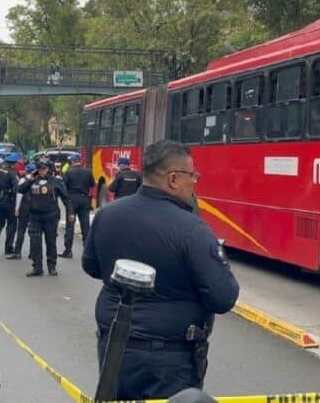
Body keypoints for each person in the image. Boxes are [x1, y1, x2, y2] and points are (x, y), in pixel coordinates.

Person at [83, 140, 240, 400]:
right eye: (192, 175)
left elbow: (91, 267)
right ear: (173, 179)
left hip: (113, 347)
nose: (195, 182)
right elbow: (224, 297)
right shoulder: (192, 230)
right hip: (169, 362)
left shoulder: (107, 215)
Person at [19, 160, 69, 276]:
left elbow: (66, 198)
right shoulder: (33, 181)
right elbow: (20, 189)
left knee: (50, 242)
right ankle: (37, 267)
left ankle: (52, 266)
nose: (42, 171)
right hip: (35, 217)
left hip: (50, 217)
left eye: (44, 169)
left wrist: (70, 212)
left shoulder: (55, 182)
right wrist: (29, 179)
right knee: (35, 242)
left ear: (49, 169)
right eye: (40, 169)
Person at [61, 154, 95, 258]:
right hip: (84, 199)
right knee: (85, 226)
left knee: (70, 226)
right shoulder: (88, 172)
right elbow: (92, 184)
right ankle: (87, 251)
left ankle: (68, 251)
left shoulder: (69, 172)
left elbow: (63, 187)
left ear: (72, 161)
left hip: (72, 200)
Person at [9, 163, 35, 260]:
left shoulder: (23, 181)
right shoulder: (35, 180)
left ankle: (17, 252)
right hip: (34, 208)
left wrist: (17, 208)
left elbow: (19, 195)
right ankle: (32, 252)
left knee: (21, 229)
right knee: (33, 230)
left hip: (24, 207)